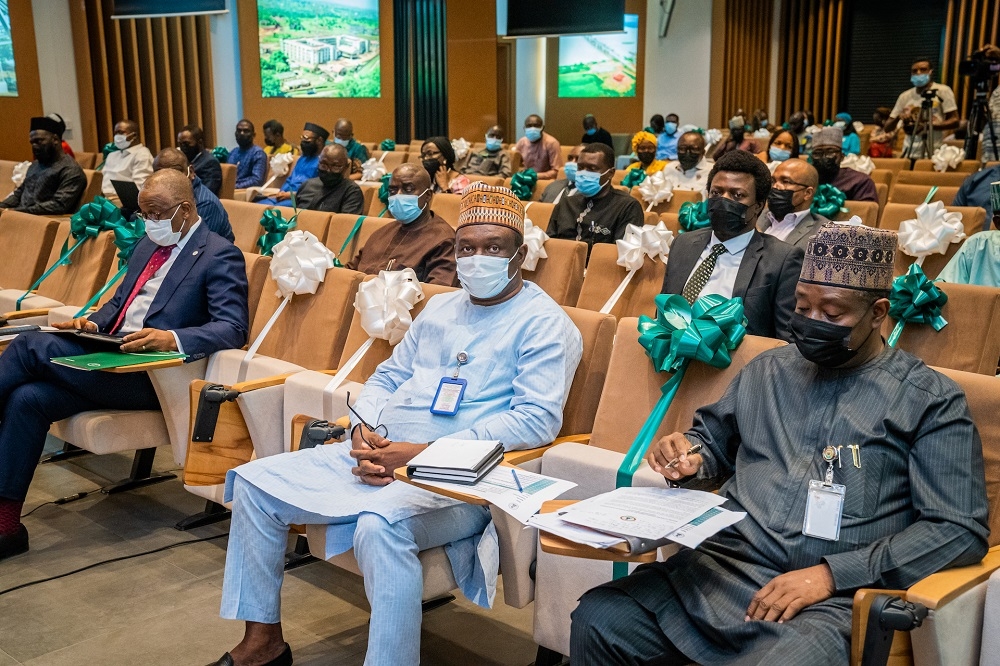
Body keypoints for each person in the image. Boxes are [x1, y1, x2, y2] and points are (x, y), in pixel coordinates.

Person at [571, 223, 989, 665]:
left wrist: (832, 576)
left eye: (831, 314)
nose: (811, 322)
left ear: (877, 312)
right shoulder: (769, 369)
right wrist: (690, 456)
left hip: (829, 599)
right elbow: (713, 442)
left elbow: (957, 530)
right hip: (723, 567)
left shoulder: (928, 400)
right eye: (802, 307)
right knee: (602, 618)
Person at [210, 181, 582, 666]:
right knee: (256, 483)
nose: (476, 258)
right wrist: (365, 430)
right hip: (382, 453)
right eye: (466, 247)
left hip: (461, 480)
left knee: (378, 526)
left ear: (519, 253)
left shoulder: (545, 324)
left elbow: (535, 421)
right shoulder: (441, 308)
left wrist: (422, 453)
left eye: (493, 247)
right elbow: (388, 376)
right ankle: (263, 643)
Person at [0, 169, 250, 561]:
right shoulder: (148, 247)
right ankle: (6, 527)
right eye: (143, 214)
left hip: (151, 376)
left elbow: (233, 327)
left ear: (184, 210)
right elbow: (120, 305)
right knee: (28, 398)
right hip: (111, 355)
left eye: (155, 213)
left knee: (31, 344)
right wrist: (91, 324)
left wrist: (173, 338)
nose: (147, 222)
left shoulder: (219, 254)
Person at [660, 150, 802, 341]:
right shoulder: (683, 244)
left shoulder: (782, 259)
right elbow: (664, 312)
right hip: (673, 356)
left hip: (740, 363)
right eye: (716, 193)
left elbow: (785, 342)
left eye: (737, 195)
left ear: (759, 205)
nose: (723, 201)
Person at [346, 163, 457, 285]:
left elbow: (437, 293)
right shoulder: (381, 233)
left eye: (408, 189)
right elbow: (350, 272)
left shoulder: (444, 241)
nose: (398, 195)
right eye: (392, 190)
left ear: (427, 196)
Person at [546, 143, 644, 256]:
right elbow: (550, 246)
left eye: (592, 169)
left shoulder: (627, 206)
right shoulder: (566, 203)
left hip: (601, 271)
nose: (584, 173)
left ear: (610, 173)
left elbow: (622, 255)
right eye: (580, 168)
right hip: (562, 267)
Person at [0, 115, 86, 215]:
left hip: (42, 221)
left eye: (39, 141)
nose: (34, 146)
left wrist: (15, 212)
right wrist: (2, 207)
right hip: (22, 216)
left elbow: (58, 205)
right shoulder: (35, 165)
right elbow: (19, 193)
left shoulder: (70, 170)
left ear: (55, 140)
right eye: (32, 143)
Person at [153, 148, 234, 242]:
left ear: (191, 172)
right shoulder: (165, 198)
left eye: (176, 172)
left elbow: (196, 246)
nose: (169, 179)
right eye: (161, 174)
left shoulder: (205, 203)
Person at [884, 58, 959, 158]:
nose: (918, 73)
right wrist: (899, 117)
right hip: (909, 151)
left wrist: (927, 127)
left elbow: (955, 121)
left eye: (923, 69)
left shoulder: (942, 91)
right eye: (914, 71)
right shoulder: (905, 96)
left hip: (934, 151)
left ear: (931, 72)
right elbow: (887, 128)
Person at [757, 159, 828, 250]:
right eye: (773, 181)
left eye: (786, 181)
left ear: (807, 193)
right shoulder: (754, 216)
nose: (775, 186)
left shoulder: (824, 233)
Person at [256, 123, 327, 207]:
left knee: (272, 211)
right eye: (302, 138)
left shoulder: (323, 163)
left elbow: (314, 191)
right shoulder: (302, 159)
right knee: (256, 206)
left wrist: (289, 195)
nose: (303, 142)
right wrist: (282, 192)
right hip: (284, 196)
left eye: (306, 138)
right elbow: (290, 179)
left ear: (319, 140)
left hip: (299, 200)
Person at [293, 144, 365, 215]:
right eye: (324, 164)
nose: (328, 170)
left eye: (335, 166)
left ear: (346, 167)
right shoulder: (307, 185)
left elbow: (346, 223)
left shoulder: (351, 191)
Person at [811, 127, 879, 203]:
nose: (824, 157)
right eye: (817, 153)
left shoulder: (860, 182)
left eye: (830, 152)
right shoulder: (806, 181)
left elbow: (866, 212)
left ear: (842, 156)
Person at [100, 118, 153, 196]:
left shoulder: (142, 155)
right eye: (116, 133)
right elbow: (100, 180)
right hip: (101, 197)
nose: (117, 136)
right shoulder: (112, 155)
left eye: (121, 133)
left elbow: (140, 188)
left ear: (134, 135)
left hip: (121, 200)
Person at [177, 124, 222, 196]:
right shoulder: (183, 161)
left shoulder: (210, 163)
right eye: (180, 144)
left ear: (200, 143)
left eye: (186, 144)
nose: (183, 147)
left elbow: (207, 191)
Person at [515, 114, 563, 179]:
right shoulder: (522, 142)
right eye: (529, 126)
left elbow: (557, 171)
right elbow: (515, 166)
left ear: (542, 127)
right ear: (524, 128)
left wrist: (534, 176)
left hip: (545, 182)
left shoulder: (552, 143)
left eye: (536, 126)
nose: (532, 128)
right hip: (525, 180)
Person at [225, 119, 267, 190]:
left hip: (244, 192)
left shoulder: (257, 153)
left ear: (253, 135)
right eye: (239, 130)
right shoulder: (233, 152)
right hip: (229, 190)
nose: (241, 133)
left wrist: (235, 186)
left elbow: (257, 180)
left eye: (246, 131)